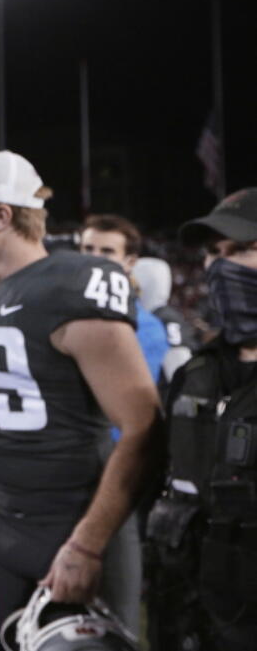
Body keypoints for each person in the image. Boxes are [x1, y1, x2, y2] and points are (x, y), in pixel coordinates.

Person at [0, 151, 162, 643]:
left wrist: (88, 546)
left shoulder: (72, 289)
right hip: (5, 522)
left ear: (1, 215)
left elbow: (144, 426)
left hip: (76, 527)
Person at [147, 187, 257, 650]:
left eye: (243, 250)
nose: (221, 266)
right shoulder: (196, 373)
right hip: (198, 619)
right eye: (214, 253)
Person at [80, 214, 168, 389]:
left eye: (107, 251)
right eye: (88, 249)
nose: (94, 258)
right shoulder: (56, 306)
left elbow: (136, 400)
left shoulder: (144, 326)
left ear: (130, 262)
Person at [132, 256, 199, 392]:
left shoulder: (166, 317)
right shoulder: (135, 314)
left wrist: (185, 399)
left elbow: (178, 358)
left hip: (159, 394)